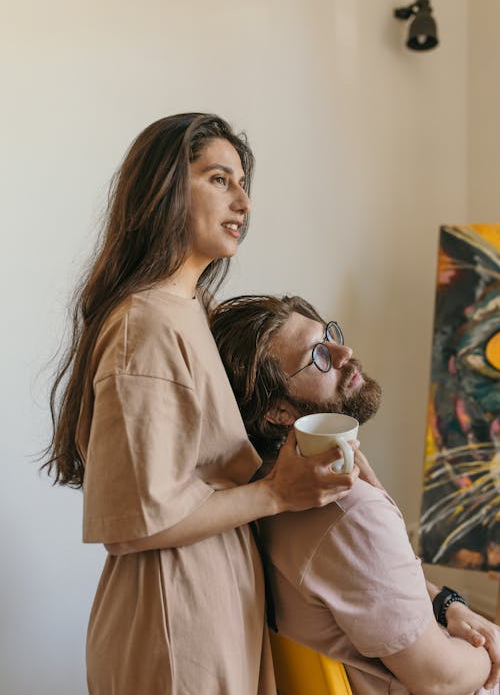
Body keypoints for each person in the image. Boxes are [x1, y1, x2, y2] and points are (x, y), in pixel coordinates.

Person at [42, 115, 361, 695]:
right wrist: (272, 493)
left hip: (213, 599)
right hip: (173, 617)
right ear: (164, 189)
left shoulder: (193, 309)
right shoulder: (146, 323)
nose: (242, 200)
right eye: (219, 179)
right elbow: (137, 522)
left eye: (243, 183)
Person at [211, 293, 500, 695]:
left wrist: (448, 604)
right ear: (277, 413)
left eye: (330, 334)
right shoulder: (348, 512)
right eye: (319, 357)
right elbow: (441, 680)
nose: (344, 351)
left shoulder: (252, 491)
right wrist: (492, 647)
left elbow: (381, 584)